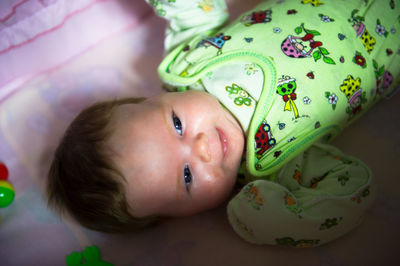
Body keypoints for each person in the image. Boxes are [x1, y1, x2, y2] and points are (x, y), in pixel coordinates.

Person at [47, 0, 399, 247]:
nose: (201, 147)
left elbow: (194, 8)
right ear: (184, 214)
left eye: (177, 125)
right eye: (186, 177)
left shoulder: (191, 61)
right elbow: (351, 189)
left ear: (156, 97)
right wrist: (271, 218)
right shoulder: (276, 168)